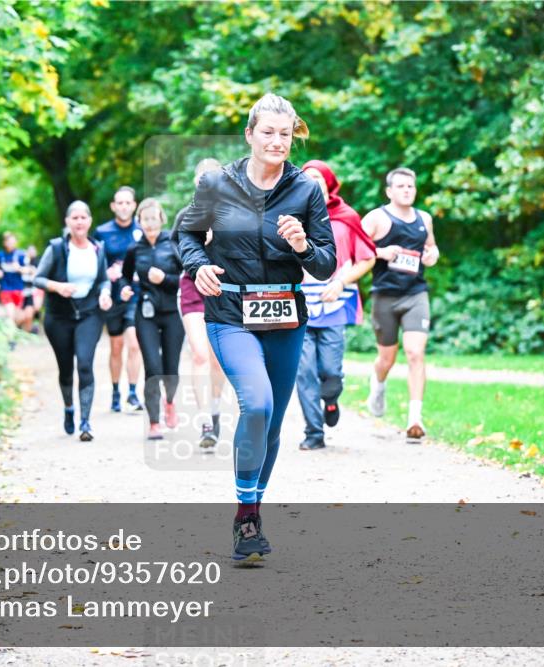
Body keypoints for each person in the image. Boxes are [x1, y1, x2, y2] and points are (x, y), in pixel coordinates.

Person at [177, 93, 336, 561]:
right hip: (230, 314)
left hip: (286, 316)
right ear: (249, 134)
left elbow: (327, 265)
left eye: (285, 134)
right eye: (267, 132)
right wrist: (198, 265)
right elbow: (185, 233)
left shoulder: (306, 190)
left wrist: (305, 246)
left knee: (270, 425)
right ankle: (247, 519)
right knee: (257, 402)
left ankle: (251, 510)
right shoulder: (216, 185)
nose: (276, 141)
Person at [296, 160, 376, 450]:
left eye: (317, 177)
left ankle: (330, 399)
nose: (312, 181)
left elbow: (367, 257)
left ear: (329, 182)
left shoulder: (346, 217)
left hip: (335, 303)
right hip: (298, 304)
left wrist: (341, 282)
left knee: (330, 370)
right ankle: (313, 433)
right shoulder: (291, 214)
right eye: (306, 177)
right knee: (303, 371)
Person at [360, 167, 440, 442]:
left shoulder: (424, 219)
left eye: (411, 186)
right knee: (387, 358)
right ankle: (378, 383)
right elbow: (357, 248)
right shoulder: (376, 218)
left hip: (415, 293)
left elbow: (431, 247)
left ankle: (415, 418)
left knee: (415, 352)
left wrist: (433, 255)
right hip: (385, 295)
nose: (407, 190)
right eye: (401, 186)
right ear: (389, 191)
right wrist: (381, 252)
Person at [33, 201, 113, 441]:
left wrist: (106, 293)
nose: (79, 222)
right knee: (66, 369)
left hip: (89, 314)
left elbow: (103, 279)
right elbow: (38, 279)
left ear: (89, 222)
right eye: (74, 218)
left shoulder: (98, 248)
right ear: (68, 222)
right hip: (59, 317)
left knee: (85, 364)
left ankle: (85, 422)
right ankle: (69, 408)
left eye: (83, 218)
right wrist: (58, 287)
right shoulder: (57, 248)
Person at [173, 159, 228, 448]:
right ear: (196, 182)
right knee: (199, 355)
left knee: (218, 359)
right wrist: (197, 246)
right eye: (202, 177)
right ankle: (205, 420)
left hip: (223, 288)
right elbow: (174, 247)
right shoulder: (186, 214)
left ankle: (216, 409)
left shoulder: (232, 213)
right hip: (193, 286)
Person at [120, 199, 185, 441]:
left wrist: (165, 279)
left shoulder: (173, 244)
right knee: (153, 368)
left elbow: (185, 281)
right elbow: (125, 279)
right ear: (139, 222)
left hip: (171, 313)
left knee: (170, 368)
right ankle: (154, 422)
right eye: (145, 219)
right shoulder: (133, 250)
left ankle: (170, 401)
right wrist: (125, 289)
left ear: (161, 219)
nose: (149, 223)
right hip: (145, 312)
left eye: (153, 218)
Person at [93, 187, 144, 413]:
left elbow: (150, 258)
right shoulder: (102, 232)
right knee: (116, 346)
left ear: (134, 205)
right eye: (119, 203)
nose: (123, 207)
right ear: (113, 206)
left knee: (134, 343)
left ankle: (133, 393)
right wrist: (107, 273)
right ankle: (116, 392)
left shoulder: (142, 230)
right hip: (112, 296)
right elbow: (94, 263)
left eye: (127, 203)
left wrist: (137, 272)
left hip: (135, 293)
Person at [0, 232, 27, 326]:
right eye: (9, 241)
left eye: (13, 242)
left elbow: (28, 269)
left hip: (18, 288)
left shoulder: (21, 254)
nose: (11, 244)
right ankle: (11, 338)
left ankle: (14, 332)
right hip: (5, 288)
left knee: (18, 317)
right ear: (5, 243)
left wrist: (19, 269)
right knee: (10, 313)